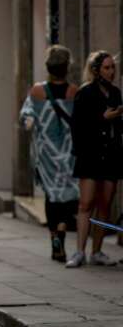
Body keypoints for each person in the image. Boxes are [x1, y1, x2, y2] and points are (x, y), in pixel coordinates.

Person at [19, 45, 80, 263]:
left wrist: (31, 121)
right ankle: (62, 233)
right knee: (67, 196)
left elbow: (26, 116)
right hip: (68, 152)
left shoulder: (37, 90)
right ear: (67, 68)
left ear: (48, 67)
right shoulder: (74, 92)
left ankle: (55, 237)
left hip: (45, 153)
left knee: (51, 195)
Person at [65, 50, 122, 268]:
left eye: (113, 67)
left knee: (105, 204)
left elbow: (118, 126)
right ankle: (79, 251)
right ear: (97, 70)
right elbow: (77, 127)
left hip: (110, 155)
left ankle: (97, 251)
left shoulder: (116, 93)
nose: (111, 71)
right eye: (107, 68)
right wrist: (102, 118)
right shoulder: (85, 93)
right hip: (89, 155)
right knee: (86, 203)